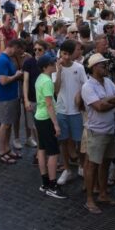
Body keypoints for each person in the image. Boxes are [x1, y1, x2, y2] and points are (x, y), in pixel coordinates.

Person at [81, 53, 115, 214]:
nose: (106, 67)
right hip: (96, 131)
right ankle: (89, 200)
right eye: (102, 65)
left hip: (110, 129)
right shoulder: (87, 87)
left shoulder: (107, 81)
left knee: (105, 163)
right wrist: (113, 102)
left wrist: (106, 101)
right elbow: (99, 107)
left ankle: (103, 194)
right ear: (94, 68)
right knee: (92, 165)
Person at [34, 54, 66, 199]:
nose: (55, 64)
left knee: (41, 149)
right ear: (46, 67)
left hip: (39, 117)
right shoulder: (46, 81)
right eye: (53, 63)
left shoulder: (40, 78)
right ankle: (53, 185)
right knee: (53, 152)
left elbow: (53, 92)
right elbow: (49, 104)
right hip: (46, 119)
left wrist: (58, 71)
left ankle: (45, 183)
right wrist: (56, 124)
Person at [56, 39, 87, 185]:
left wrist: (79, 95)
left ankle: (81, 165)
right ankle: (67, 169)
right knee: (63, 141)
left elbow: (85, 86)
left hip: (76, 111)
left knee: (79, 141)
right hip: (61, 110)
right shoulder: (57, 68)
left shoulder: (79, 68)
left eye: (69, 54)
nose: (66, 57)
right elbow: (55, 90)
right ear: (61, 54)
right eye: (64, 54)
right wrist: (58, 71)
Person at [0, 39, 24, 164]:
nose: (19, 53)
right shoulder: (3, 60)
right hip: (5, 97)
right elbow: (3, 81)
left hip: (11, 96)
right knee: (5, 124)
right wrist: (16, 75)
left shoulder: (7, 59)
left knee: (8, 124)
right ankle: (1, 151)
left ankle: (6, 148)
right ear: (14, 47)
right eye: (19, 50)